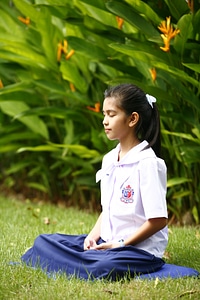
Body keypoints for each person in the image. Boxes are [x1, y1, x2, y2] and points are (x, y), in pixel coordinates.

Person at [21, 83, 168, 281]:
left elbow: (158, 220)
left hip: (138, 252)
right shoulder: (109, 159)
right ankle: (82, 257)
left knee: (102, 266)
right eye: (104, 115)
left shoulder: (148, 163)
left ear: (133, 119)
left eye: (111, 114)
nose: (105, 121)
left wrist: (121, 244)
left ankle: (77, 261)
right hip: (107, 243)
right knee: (44, 241)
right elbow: (107, 210)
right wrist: (92, 237)